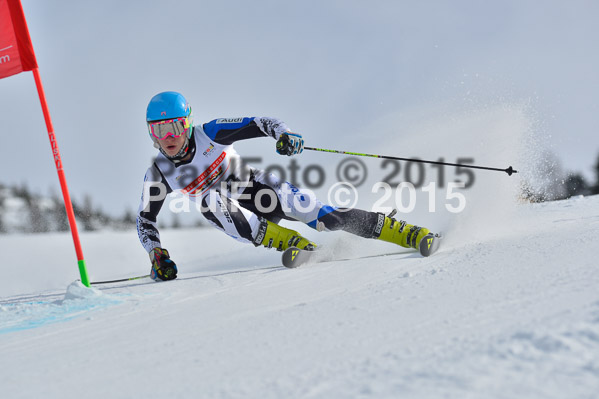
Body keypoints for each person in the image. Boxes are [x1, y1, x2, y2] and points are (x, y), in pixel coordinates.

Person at [137, 91, 439, 281]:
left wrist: (285, 134)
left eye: (175, 126)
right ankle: (292, 242)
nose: (168, 136)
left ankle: (407, 233)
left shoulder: (211, 133)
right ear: (151, 134)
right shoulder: (160, 172)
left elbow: (262, 121)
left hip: (259, 190)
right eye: (159, 130)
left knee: (328, 219)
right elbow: (145, 220)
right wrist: (157, 255)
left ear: (187, 124)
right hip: (239, 219)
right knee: (209, 202)